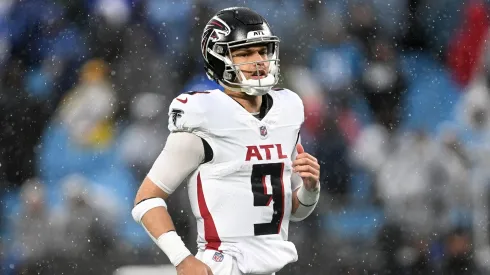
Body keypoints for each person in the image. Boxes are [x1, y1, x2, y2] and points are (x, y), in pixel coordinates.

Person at [132, 7, 321, 275]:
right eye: (244, 53)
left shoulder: (287, 110)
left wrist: (311, 189)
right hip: (223, 267)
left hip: (275, 267)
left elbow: (289, 209)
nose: (258, 61)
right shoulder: (204, 115)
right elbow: (146, 201)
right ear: (217, 58)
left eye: (263, 50)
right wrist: (183, 260)